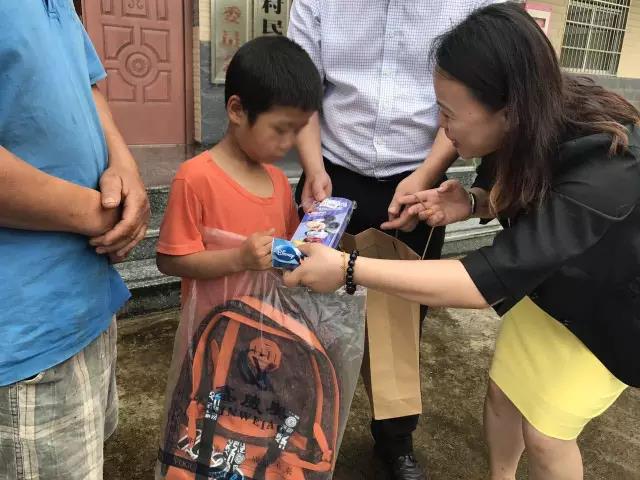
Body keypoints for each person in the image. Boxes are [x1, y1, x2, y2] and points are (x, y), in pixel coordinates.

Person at [284, 3, 640, 480]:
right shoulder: (527, 121)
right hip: (550, 289)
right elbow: (522, 197)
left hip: (614, 309)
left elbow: (483, 280)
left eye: (448, 113)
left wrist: (348, 269)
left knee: (547, 433)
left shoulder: (605, 166)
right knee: (505, 395)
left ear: (507, 111)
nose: (440, 127)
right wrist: (472, 202)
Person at [287, 2, 503, 477]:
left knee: (400, 322)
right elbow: (303, 93)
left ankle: (394, 440)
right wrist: (313, 168)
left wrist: (426, 175)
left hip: (420, 178)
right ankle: (302, 428)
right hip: (331, 175)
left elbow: (469, 105)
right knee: (311, 313)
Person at [0, 1, 150, 479]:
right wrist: (97, 213)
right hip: (20, 328)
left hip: (83, 303)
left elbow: (89, 86)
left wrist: (125, 166)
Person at [156, 35, 320, 320]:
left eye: (298, 130)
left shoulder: (279, 182)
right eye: (281, 129)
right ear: (237, 110)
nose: (290, 142)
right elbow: (170, 260)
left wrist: (315, 235)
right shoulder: (195, 178)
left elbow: (292, 250)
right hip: (212, 328)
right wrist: (238, 259)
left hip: (270, 325)